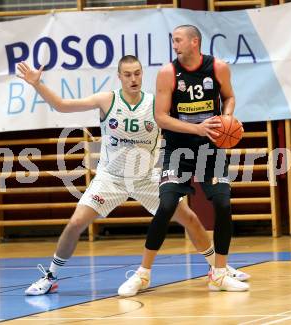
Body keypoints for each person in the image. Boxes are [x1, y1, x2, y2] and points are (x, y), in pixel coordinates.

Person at [17, 55, 249, 296]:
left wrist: (219, 126)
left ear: (142, 74)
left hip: (147, 177)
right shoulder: (107, 100)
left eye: (137, 73)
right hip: (111, 177)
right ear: (119, 77)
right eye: (127, 74)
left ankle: (218, 269)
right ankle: (51, 277)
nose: (133, 78)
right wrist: (37, 83)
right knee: (76, 223)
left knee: (189, 218)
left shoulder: (155, 104)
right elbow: (63, 105)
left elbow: (188, 121)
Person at [118, 26, 249, 296]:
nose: (174, 44)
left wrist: (228, 117)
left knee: (223, 204)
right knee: (166, 205)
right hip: (178, 149)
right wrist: (198, 128)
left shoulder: (218, 68)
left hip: (210, 150)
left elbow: (230, 97)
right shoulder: (168, 73)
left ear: (194, 42)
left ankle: (220, 274)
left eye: (178, 40)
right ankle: (143, 275)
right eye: (173, 40)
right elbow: (161, 117)